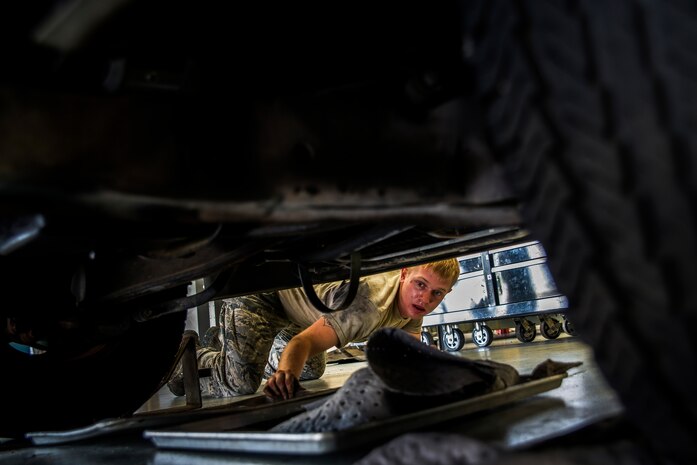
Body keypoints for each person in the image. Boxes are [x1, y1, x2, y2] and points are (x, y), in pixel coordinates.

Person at [169, 257, 460, 400]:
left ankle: (237, 344)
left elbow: (407, 354)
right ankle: (183, 363)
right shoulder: (369, 303)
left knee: (310, 371)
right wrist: (285, 376)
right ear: (404, 273)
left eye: (437, 293)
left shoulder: (414, 306)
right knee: (240, 382)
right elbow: (300, 344)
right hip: (264, 295)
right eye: (421, 285)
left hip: (297, 313)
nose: (426, 298)